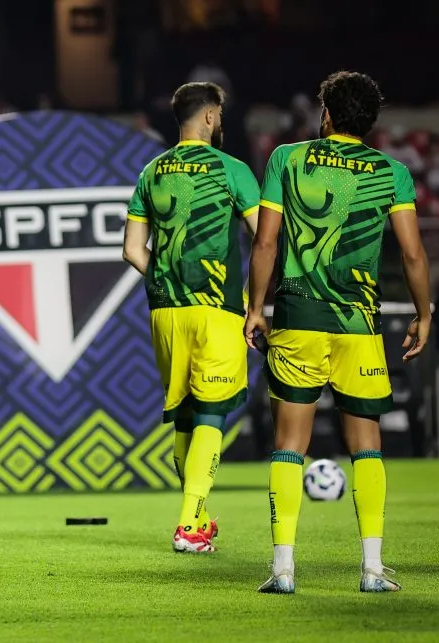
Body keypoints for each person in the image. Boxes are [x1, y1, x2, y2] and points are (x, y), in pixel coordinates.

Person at [245, 71, 430, 594]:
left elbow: (265, 245)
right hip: (358, 325)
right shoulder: (390, 171)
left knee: (289, 444)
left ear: (325, 114)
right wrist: (423, 313)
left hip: (299, 318)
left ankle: (283, 570)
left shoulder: (287, 158)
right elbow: (413, 253)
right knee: (366, 445)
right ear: (370, 123)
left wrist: (255, 308)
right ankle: (372, 569)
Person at [123, 81, 260, 553]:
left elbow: (130, 250)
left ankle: (197, 519)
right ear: (209, 116)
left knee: (185, 415)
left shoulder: (151, 172)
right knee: (211, 412)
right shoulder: (233, 169)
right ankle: (187, 525)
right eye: (218, 114)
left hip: (164, 309)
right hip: (216, 307)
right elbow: (264, 238)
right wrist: (255, 298)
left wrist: (163, 277)